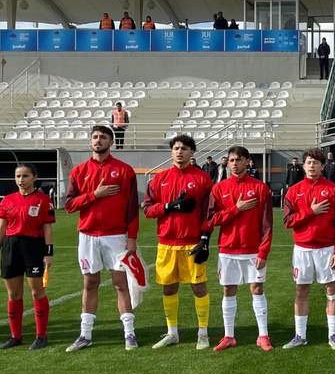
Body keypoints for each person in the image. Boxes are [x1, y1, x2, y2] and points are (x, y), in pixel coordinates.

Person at [65, 125, 140, 351]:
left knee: (121, 284)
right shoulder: (78, 171)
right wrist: (94, 195)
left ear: (111, 142)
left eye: (103, 137)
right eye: (95, 137)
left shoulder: (125, 170)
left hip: (115, 236)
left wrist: (132, 237)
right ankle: (85, 335)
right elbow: (69, 205)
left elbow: (132, 208)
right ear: (90, 141)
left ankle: (129, 334)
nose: (98, 140)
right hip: (87, 236)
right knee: (90, 283)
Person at [143, 135, 214, 350]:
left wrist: (204, 239)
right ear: (171, 152)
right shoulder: (159, 179)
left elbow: (208, 213)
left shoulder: (203, 179)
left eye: (184, 148)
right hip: (166, 243)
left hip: (192, 242)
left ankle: (203, 334)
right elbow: (147, 210)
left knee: (198, 287)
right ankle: (172, 333)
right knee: (168, 288)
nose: (179, 151)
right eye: (176, 148)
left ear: (192, 152)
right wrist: (169, 206)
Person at [206, 145, 274, 352]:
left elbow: (267, 225)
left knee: (257, 289)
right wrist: (236, 209)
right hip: (228, 249)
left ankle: (263, 336)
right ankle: (229, 336)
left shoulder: (261, 188)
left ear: (247, 161)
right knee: (228, 290)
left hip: (253, 250)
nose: (234, 163)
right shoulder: (219, 188)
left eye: (238, 159)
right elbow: (211, 220)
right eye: (231, 160)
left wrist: (263, 252)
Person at [283, 148, 335, 350]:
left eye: (316, 163)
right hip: (302, 249)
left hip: (326, 249)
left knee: (331, 289)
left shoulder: (334, 190)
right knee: (301, 290)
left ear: (322, 166)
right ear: (303, 166)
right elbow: (288, 221)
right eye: (309, 162)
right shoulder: (293, 191)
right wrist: (311, 211)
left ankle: (333, 335)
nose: (312, 166)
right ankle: (300, 335)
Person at [0, 164, 54, 350]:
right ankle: (16, 336)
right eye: (18, 176)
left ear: (34, 177)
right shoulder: (7, 200)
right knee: (13, 294)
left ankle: (41, 336)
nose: (21, 180)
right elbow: (2, 227)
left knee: (37, 293)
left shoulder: (43, 200)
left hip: (33, 247)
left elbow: (47, 227)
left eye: (25, 176)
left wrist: (49, 253)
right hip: (11, 247)